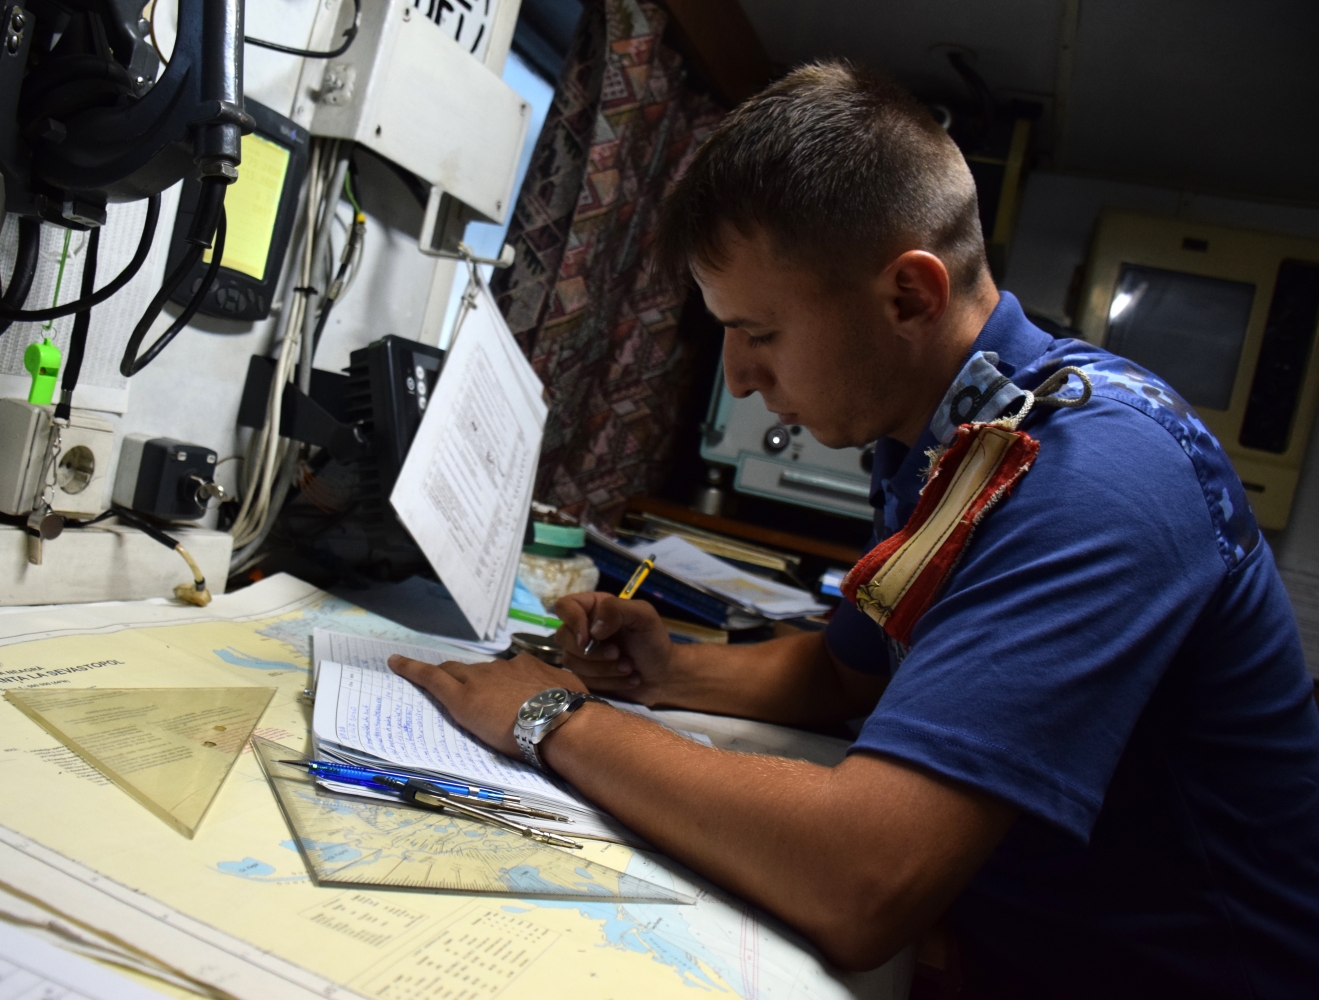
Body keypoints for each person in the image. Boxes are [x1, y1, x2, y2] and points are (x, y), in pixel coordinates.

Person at [388, 61, 1319, 996]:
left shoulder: (1099, 480)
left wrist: (551, 718)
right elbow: (850, 672)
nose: (739, 376)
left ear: (909, 295)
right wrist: (668, 673)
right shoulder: (945, 434)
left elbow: (861, 879)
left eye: (760, 332)